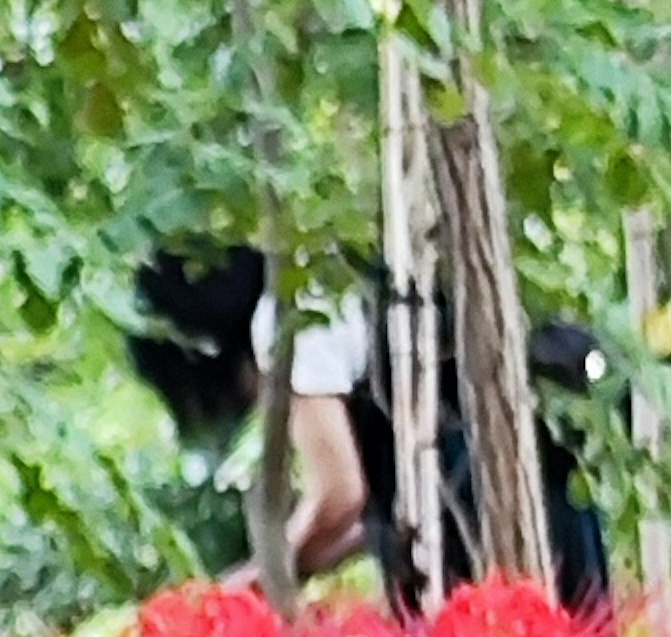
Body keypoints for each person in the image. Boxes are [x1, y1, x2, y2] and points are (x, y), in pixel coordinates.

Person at [125, 242, 608, 612]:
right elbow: (369, 519)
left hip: (474, 519)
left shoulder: (290, 319)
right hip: (532, 484)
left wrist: (258, 580)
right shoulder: (345, 271)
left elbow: (339, 497)